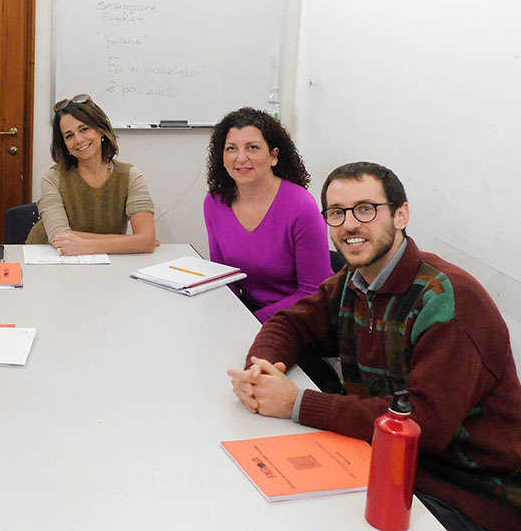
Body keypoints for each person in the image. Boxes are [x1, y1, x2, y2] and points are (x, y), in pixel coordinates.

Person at [228, 162, 521, 531]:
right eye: (337, 213)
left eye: (366, 209)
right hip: (383, 462)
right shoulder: (353, 280)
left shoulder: (448, 301)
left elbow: (422, 425)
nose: (350, 224)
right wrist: (262, 367)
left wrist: (297, 404)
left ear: (401, 215)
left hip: (468, 494)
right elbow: (291, 322)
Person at [204, 107, 332, 322]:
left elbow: (313, 292)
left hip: (302, 317)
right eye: (231, 149)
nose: (241, 158)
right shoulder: (215, 202)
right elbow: (226, 281)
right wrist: (225, 319)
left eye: (252, 148)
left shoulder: (301, 206)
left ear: (274, 156)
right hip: (249, 313)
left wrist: (249, 321)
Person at [25, 93, 156, 254]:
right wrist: (130, 242)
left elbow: (147, 242)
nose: (79, 140)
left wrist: (84, 245)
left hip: (104, 259)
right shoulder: (52, 178)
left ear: (101, 130)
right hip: (49, 255)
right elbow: (60, 239)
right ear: (64, 144)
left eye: (84, 129)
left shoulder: (130, 176)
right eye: (69, 136)